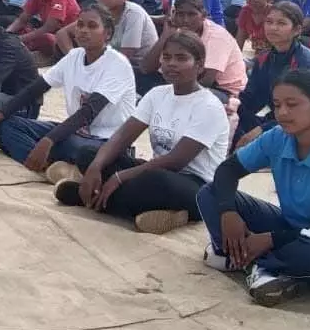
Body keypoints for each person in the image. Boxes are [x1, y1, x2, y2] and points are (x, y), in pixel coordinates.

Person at [198, 70, 310, 306]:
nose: (282, 113)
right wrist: (227, 211)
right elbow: (227, 170)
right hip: (291, 227)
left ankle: (250, 260)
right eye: (276, 105)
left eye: (292, 104)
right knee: (210, 193)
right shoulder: (277, 137)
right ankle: (266, 266)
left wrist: (271, 239)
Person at [55, 31, 231, 234]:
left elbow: (176, 161)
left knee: (156, 181)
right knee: (88, 153)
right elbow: (122, 136)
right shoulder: (157, 94)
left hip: (195, 185)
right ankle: (148, 210)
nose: (171, 63)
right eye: (166, 57)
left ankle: (87, 196)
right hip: (154, 172)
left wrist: (120, 177)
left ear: (199, 65)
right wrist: (96, 166)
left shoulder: (209, 106)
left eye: (181, 58)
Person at [0, 4, 139, 177]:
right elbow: (33, 90)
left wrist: (48, 140)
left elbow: (87, 112)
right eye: (80, 25)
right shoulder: (73, 56)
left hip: (106, 140)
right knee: (7, 126)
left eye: (92, 26)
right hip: (74, 132)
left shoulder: (117, 64)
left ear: (107, 34)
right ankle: (51, 167)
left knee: (73, 148)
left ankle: (50, 161)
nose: (84, 31)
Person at [136, 0, 246, 111]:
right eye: (180, 14)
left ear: (203, 15)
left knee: (186, 97)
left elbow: (206, 81)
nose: (185, 20)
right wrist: (165, 36)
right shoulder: (177, 31)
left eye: (191, 14)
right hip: (186, 79)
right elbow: (146, 68)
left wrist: (166, 92)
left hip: (222, 90)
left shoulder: (216, 36)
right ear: (173, 15)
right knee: (138, 75)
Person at [234, 1, 310, 140]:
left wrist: (262, 130)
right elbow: (253, 97)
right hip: (278, 118)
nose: (273, 28)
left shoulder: (303, 62)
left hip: (305, 123)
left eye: (281, 23)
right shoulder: (264, 58)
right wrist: (232, 105)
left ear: (297, 30)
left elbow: (304, 110)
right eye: (269, 22)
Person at [59, 0, 157, 64]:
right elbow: (62, 33)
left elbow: (124, 56)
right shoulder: (98, 8)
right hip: (108, 61)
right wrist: (74, 60)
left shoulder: (134, 13)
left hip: (136, 66)